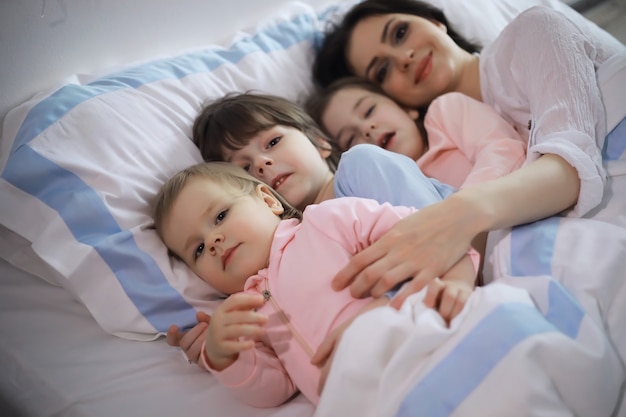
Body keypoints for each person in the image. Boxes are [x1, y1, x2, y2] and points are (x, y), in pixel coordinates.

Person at [311, 0, 626, 301]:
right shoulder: (426, 167)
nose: (403, 57)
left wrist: (455, 220)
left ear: (436, 21)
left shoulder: (532, 31)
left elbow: (570, 169)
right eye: (382, 71)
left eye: (400, 32)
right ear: (389, 98)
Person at [169, 91, 460, 366]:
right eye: (243, 168)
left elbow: (436, 235)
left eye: (272, 143)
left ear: (320, 142)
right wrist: (224, 354)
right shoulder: (285, 259)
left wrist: (378, 316)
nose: (261, 163)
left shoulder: (359, 165)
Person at [153, 161, 480, 407]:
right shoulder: (246, 314)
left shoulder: (328, 222)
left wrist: (456, 282)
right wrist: (226, 356)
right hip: (363, 403)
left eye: (221, 216)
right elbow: (275, 389)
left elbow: (428, 233)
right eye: (197, 249)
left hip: (422, 341)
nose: (213, 241)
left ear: (269, 201)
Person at [305, 76, 526, 189]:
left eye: (369, 110)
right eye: (351, 138)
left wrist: (461, 209)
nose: (366, 129)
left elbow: (504, 150)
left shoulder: (445, 113)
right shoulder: (388, 195)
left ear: (405, 106)